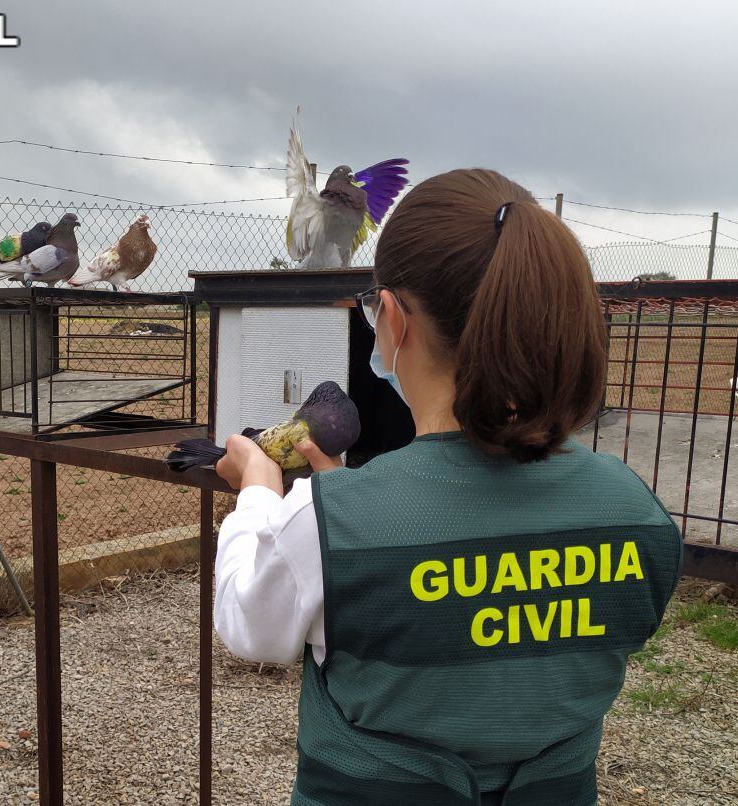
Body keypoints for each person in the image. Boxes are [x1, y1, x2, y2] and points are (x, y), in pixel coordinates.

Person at [213, 168, 683, 806]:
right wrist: (345, 496)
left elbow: (252, 627)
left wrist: (260, 492)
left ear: (396, 319)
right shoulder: (636, 512)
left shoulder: (328, 522)